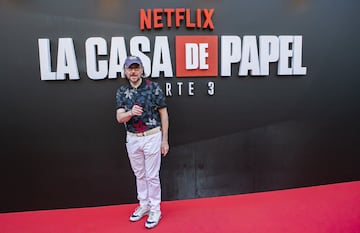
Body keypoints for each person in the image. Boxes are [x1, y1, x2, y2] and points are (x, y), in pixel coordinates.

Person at [115, 56, 169, 229]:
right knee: (140, 174)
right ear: (125, 70)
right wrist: (131, 112)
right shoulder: (122, 91)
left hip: (152, 136)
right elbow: (119, 117)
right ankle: (144, 204)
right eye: (130, 68)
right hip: (132, 138)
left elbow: (164, 114)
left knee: (152, 175)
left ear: (141, 69)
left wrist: (164, 140)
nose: (133, 71)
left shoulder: (153, 87)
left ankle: (155, 209)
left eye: (136, 68)